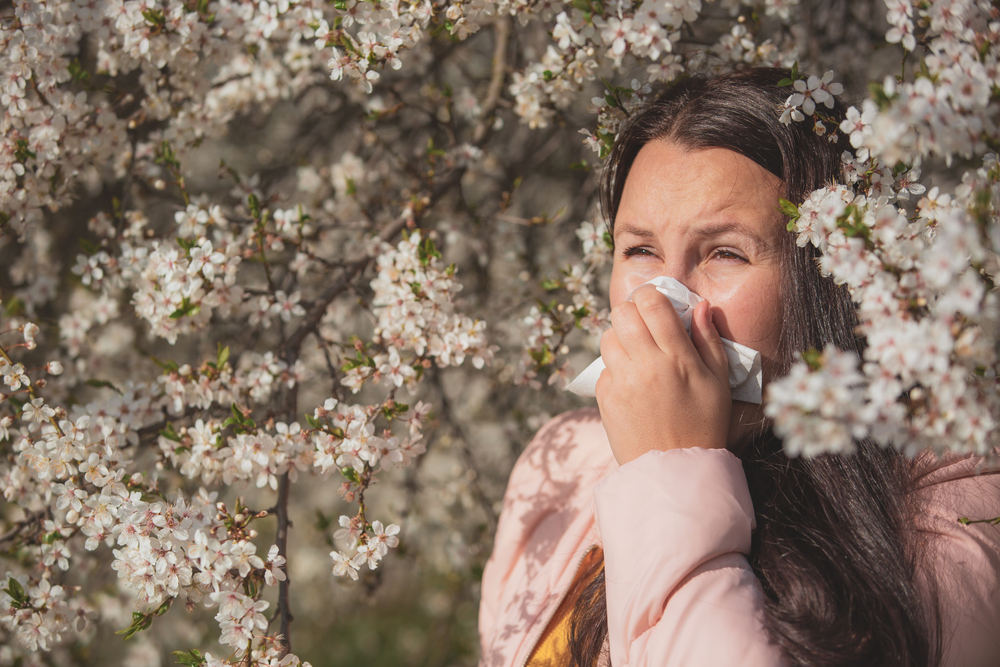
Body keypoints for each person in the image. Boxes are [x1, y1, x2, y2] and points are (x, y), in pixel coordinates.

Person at [477, 68, 1000, 667]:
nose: (663, 301)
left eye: (725, 253)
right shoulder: (561, 462)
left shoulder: (953, 504)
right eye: (640, 250)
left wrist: (667, 466)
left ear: (833, 281)